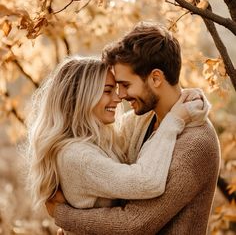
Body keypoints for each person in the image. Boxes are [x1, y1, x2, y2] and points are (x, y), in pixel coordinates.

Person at [46, 22, 220, 235]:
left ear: (156, 78)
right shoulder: (142, 122)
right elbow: (98, 156)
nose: (120, 95)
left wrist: (63, 215)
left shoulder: (196, 143)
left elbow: (135, 223)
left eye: (125, 85)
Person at [26, 55, 203, 213]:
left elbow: (140, 117)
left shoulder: (98, 138)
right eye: (107, 90)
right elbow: (148, 182)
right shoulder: (76, 156)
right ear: (82, 98)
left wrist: (182, 97)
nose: (118, 98)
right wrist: (174, 120)